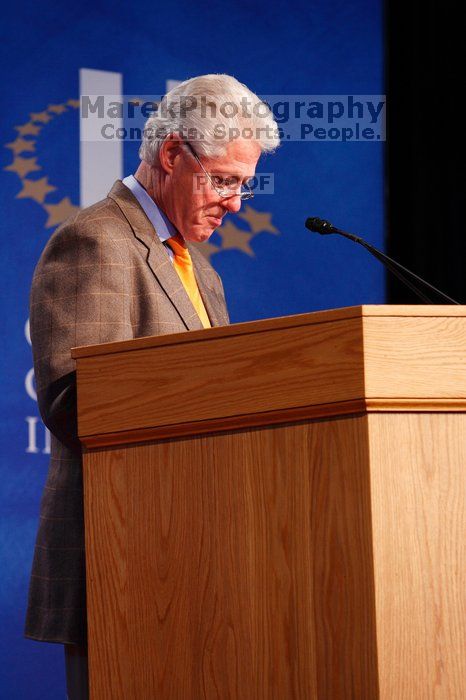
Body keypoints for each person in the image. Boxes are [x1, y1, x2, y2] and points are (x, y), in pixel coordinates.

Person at [24, 73, 279, 697]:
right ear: (171, 154)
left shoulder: (201, 270)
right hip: (127, 561)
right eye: (223, 180)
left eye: (245, 185)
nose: (237, 203)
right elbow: (78, 404)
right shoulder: (97, 242)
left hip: (203, 554)